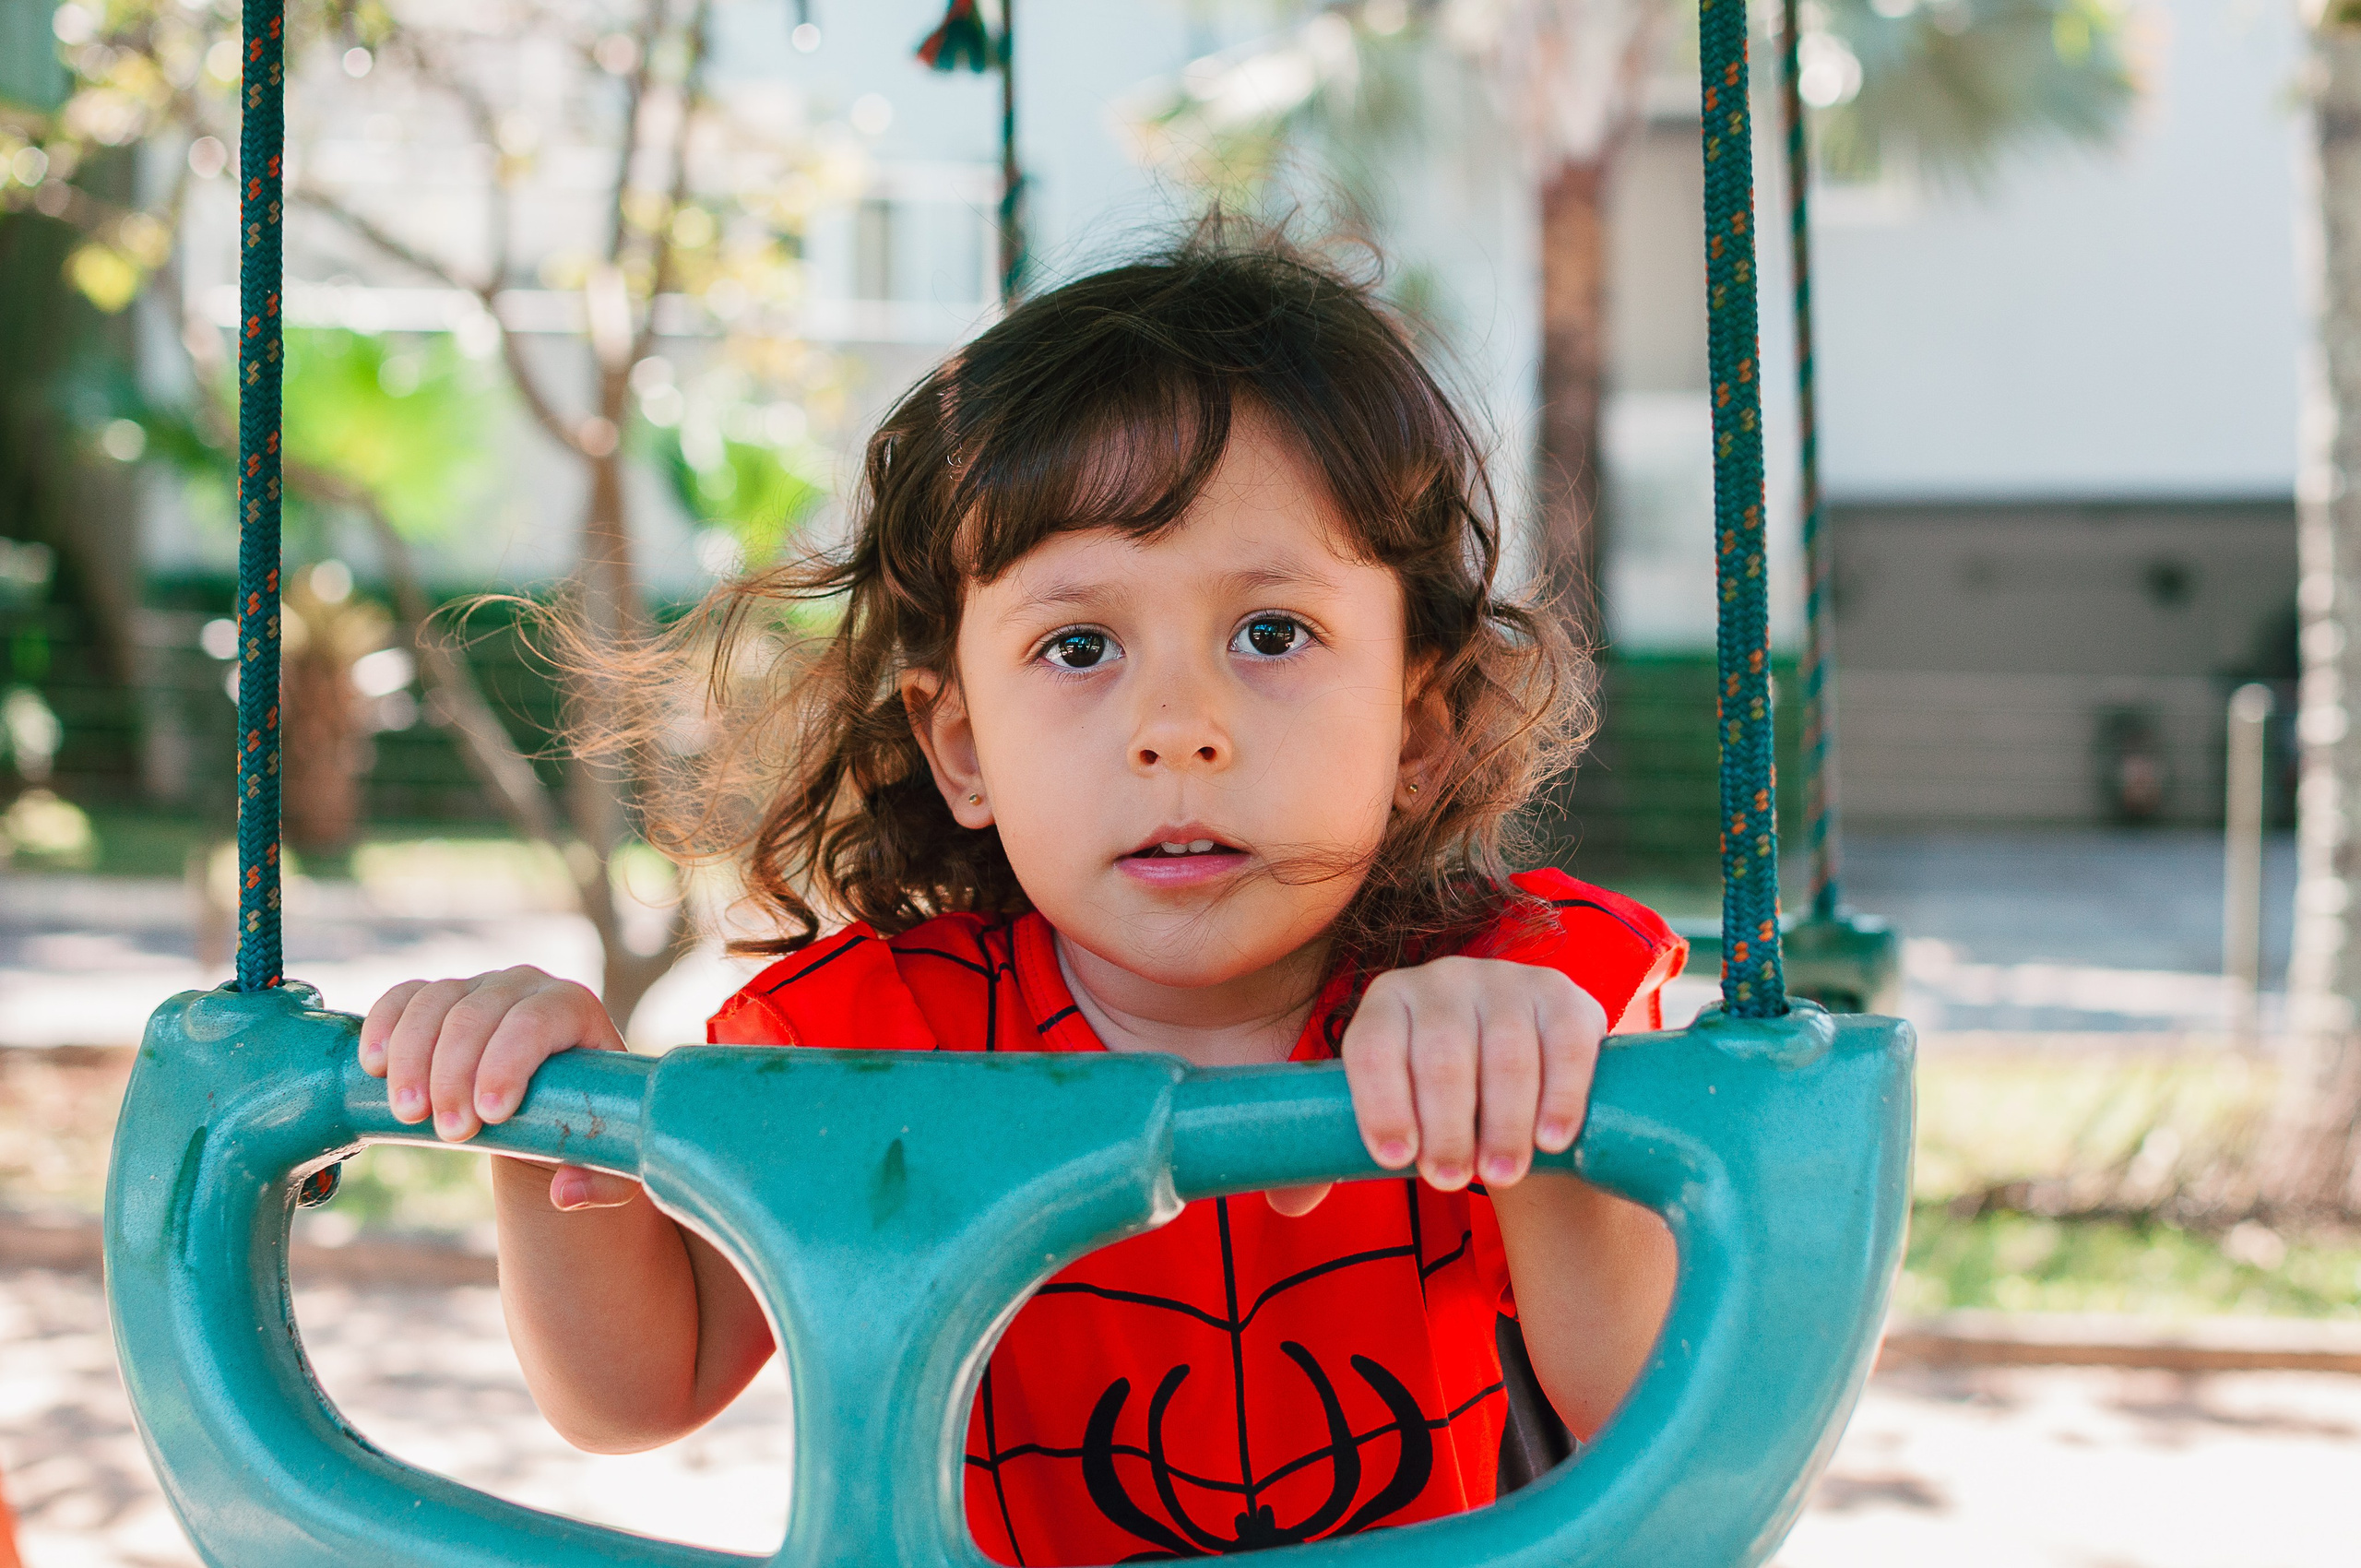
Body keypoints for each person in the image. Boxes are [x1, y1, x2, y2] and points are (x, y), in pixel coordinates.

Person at [359, 231, 1685, 1563]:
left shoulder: (1512, 992)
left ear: (1415, 730)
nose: (1178, 728)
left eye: (1271, 634)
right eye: (1080, 646)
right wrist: (551, 1135)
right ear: (965, 749)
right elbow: (639, 1388)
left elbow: (1649, 1417)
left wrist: (1535, 1107)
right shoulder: (883, 1036)